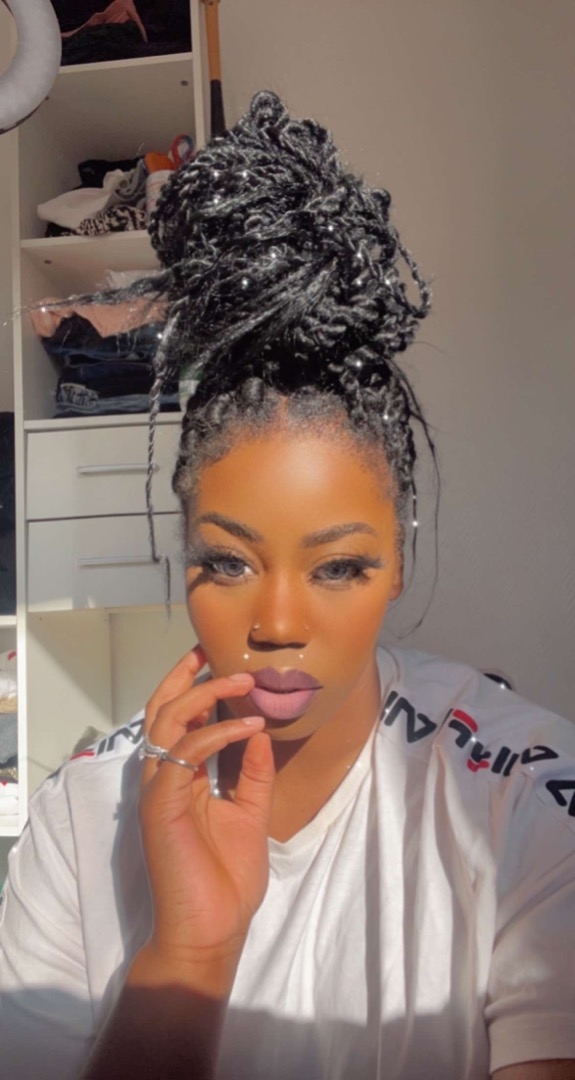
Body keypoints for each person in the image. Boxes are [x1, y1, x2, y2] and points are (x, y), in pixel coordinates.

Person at [1, 91, 574, 1080]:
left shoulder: (523, 800)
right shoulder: (76, 820)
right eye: (226, 562)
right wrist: (189, 957)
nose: (274, 623)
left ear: (397, 559)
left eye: (338, 566)